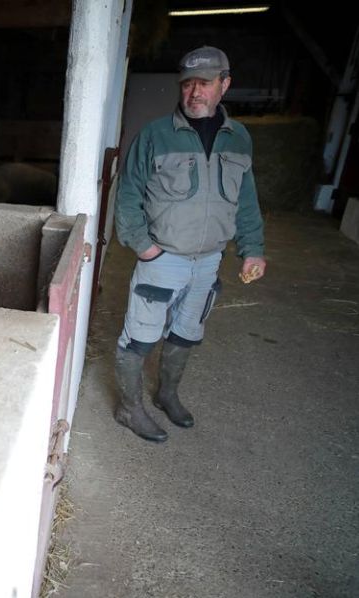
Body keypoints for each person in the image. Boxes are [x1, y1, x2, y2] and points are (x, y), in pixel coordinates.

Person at [113, 46, 267, 442]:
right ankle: (130, 409)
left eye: (205, 83)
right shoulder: (155, 135)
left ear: (225, 85)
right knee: (140, 337)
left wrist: (252, 248)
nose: (195, 92)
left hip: (209, 260)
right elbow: (128, 195)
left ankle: (166, 395)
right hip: (162, 258)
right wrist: (144, 246)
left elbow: (246, 199)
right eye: (187, 84)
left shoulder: (240, 139)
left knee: (186, 332)